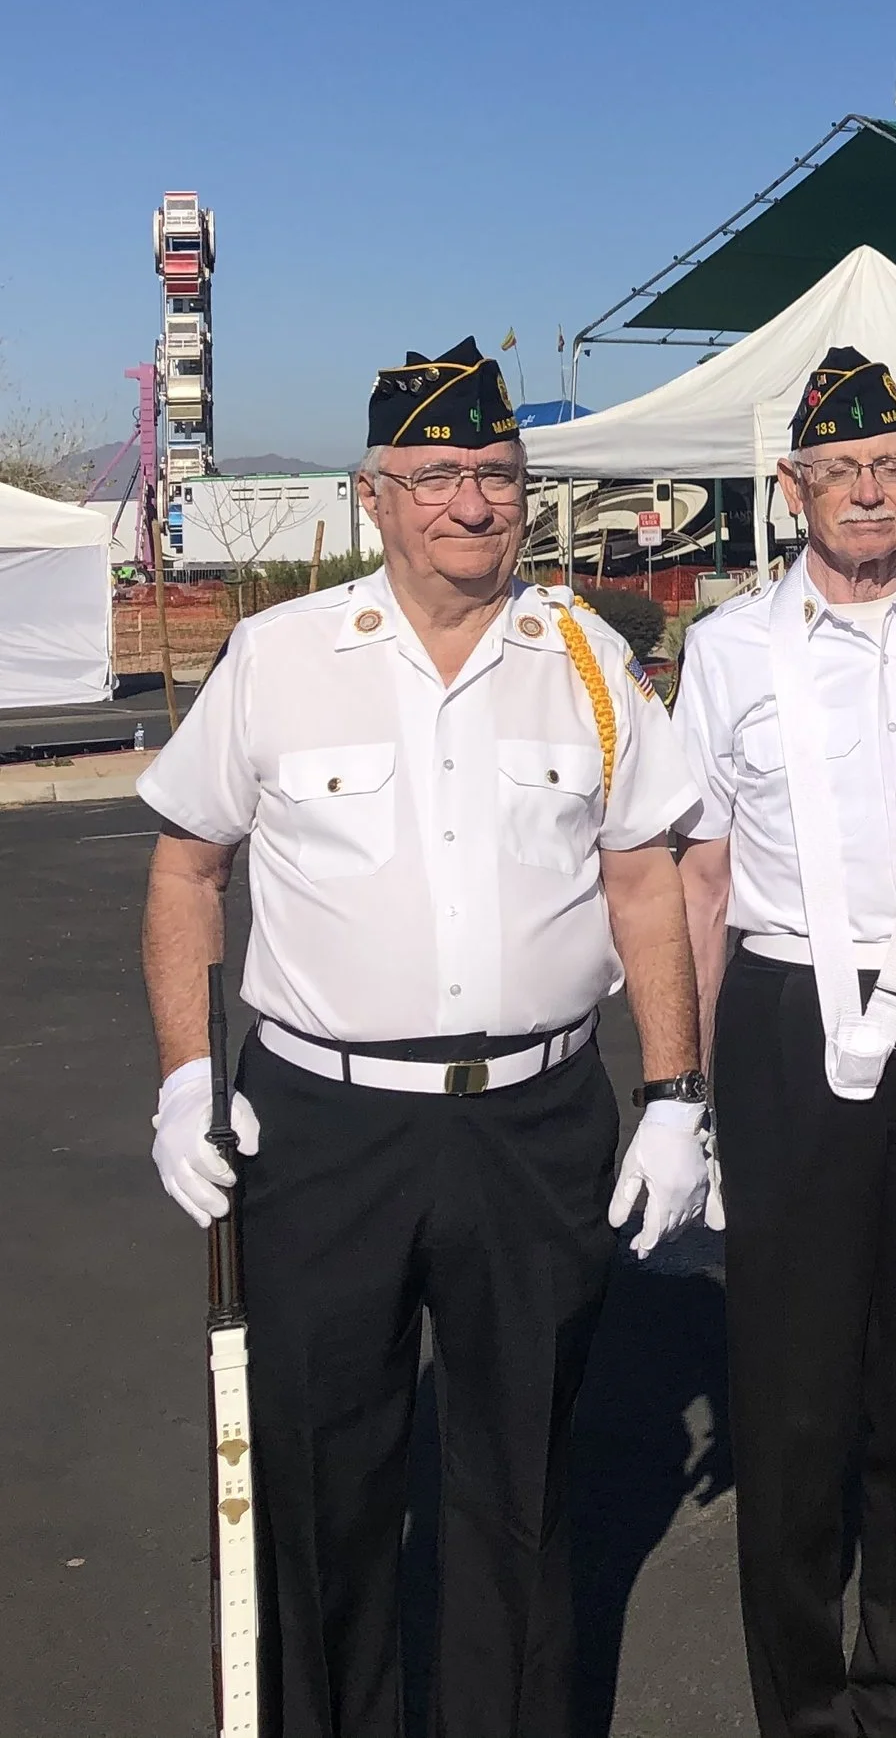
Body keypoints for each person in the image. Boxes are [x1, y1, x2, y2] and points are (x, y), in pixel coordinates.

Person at [140, 336, 710, 1738]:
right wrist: (187, 1073)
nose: (476, 501)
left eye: (499, 473)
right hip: (325, 1130)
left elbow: (644, 878)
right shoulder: (280, 657)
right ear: (373, 495)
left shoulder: (587, 655)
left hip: (535, 1121)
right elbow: (184, 867)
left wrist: (677, 1090)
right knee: (323, 1474)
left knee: (520, 1479)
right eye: (440, 474)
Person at [671, 346, 896, 1738]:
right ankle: (801, 1702)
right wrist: (680, 1083)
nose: (869, 490)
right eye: (840, 468)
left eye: (891, 468)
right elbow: (695, 869)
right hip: (788, 1012)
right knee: (791, 1392)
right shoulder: (730, 647)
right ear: (794, 486)